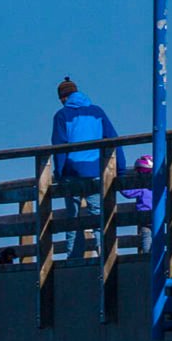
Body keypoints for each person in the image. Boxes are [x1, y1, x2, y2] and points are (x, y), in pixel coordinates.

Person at [51, 77, 117, 258]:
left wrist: (59, 173)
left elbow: (59, 147)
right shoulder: (97, 112)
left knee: (72, 218)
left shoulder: (62, 115)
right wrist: (121, 167)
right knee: (97, 215)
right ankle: (105, 255)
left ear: (63, 97)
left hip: (72, 172)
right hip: (95, 169)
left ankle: (74, 257)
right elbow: (113, 139)